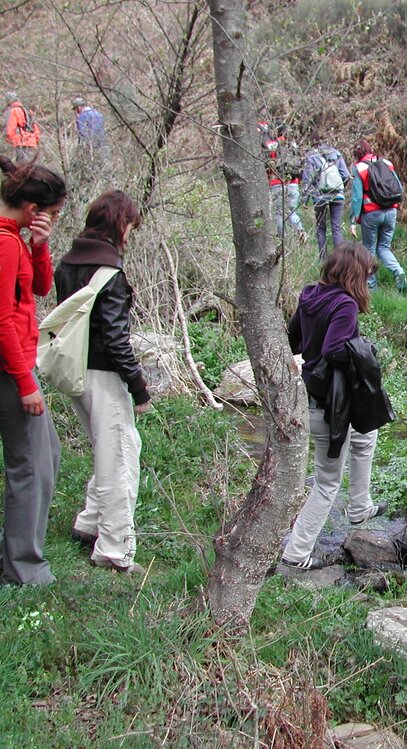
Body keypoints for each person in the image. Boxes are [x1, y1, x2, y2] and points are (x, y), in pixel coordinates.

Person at [55, 189, 151, 575]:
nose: (131, 233)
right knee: (121, 459)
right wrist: (138, 385)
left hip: (74, 371)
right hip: (104, 375)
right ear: (118, 223)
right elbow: (114, 338)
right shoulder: (109, 270)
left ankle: (89, 523)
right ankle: (114, 551)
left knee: (109, 449)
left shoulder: (67, 262)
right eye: (130, 225)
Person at [282, 241, 389, 570]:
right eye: (368, 275)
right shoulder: (345, 305)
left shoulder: (310, 294)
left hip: (316, 398)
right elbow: (334, 350)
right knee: (327, 483)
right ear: (355, 273)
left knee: (366, 435)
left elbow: (293, 338)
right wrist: (362, 351)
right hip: (331, 406)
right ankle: (297, 553)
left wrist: (311, 353)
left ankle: (359, 505)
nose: (369, 283)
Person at [0, 157, 66, 585]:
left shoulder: (17, 240)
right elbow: (3, 318)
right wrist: (26, 383)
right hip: (11, 369)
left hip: (16, 366)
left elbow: (40, 288)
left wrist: (40, 245)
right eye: (53, 214)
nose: (55, 220)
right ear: (32, 209)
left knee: (47, 455)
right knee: (32, 467)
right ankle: (24, 570)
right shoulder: (5, 245)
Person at [349, 139, 407, 291]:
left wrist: (353, 220)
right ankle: (398, 271)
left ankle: (372, 286)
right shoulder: (386, 163)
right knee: (384, 247)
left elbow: (356, 197)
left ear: (356, 153)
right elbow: (399, 187)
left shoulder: (358, 168)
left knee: (369, 249)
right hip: (391, 211)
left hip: (372, 213)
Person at [301, 137, 351, 260]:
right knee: (336, 227)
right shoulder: (337, 154)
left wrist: (305, 200)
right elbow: (345, 175)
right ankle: (339, 259)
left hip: (320, 196)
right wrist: (339, 188)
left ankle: (323, 259)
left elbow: (307, 179)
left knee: (321, 227)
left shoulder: (311, 156)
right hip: (338, 195)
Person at [261, 121, 308, 245]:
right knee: (292, 211)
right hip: (293, 183)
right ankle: (300, 229)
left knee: (279, 214)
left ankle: (282, 242)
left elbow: (267, 164)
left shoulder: (272, 145)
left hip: (277, 183)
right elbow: (300, 164)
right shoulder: (292, 145)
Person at [3, 92, 41, 162]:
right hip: (31, 141)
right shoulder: (27, 111)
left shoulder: (13, 111)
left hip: (21, 141)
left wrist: (9, 140)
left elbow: (10, 128)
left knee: (22, 166)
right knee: (31, 164)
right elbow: (35, 127)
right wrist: (35, 139)